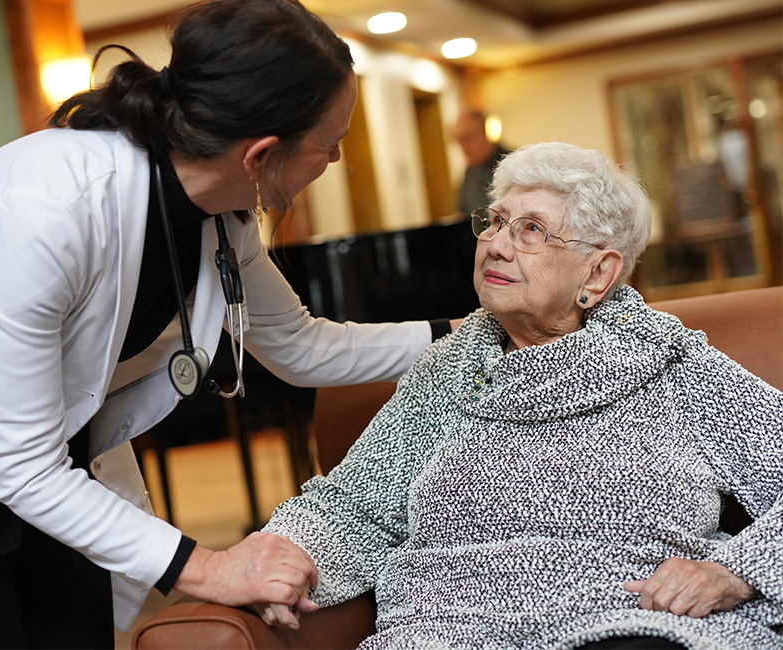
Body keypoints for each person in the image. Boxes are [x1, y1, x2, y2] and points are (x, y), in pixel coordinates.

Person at [0, 1, 455, 647]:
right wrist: (214, 567)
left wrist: (460, 332)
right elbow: (19, 463)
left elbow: (302, 346)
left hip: (45, 456)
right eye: (330, 145)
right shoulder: (48, 205)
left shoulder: (221, 216)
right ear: (262, 153)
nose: (333, 161)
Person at [262, 142, 782, 649]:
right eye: (494, 221)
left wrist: (738, 570)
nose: (497, 244)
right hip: (447, 630)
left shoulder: (672, 367)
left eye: (531, 229)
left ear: (598, 273)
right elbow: (353, 507)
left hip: (629, 622)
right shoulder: (445, 373)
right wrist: (271, 557)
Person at [453, 108, 511, 216]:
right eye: (459, 140)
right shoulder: (470, 171)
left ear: (484, 132)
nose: (463, 147)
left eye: (467, 138)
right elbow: (462, 212)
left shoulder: (512, 163)